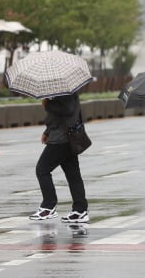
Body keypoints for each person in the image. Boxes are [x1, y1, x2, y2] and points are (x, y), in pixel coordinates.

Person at [29, 93, 89, 223]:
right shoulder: (61, 92)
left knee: (42, 170)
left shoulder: (66, 92)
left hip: (61, 139)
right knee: (73, 175)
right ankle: (80, 210)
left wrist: (47, 104)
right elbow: (57, 117)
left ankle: (48, 206)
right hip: (65, 137)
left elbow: (67, 110)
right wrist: (47, 132)